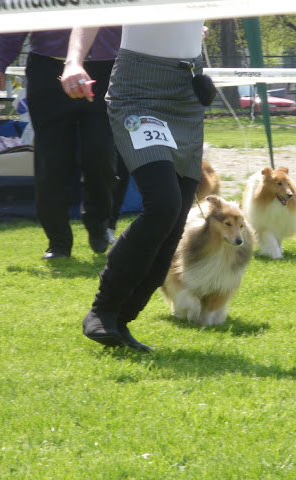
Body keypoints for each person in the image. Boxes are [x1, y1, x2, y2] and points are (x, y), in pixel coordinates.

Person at [60, 21, 207, 351]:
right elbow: (90, 14)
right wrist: (73, 62)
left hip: (187, 92)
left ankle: (121, 321)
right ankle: (102, 310)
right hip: (139, 90)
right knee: (164, 206)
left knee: (174, 222)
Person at [0, 28, 124, 259]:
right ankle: (58, 243)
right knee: (51, 162)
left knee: (101, 155)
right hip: (48, 69)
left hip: (106, 70)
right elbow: (16, 17)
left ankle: (99, 221)